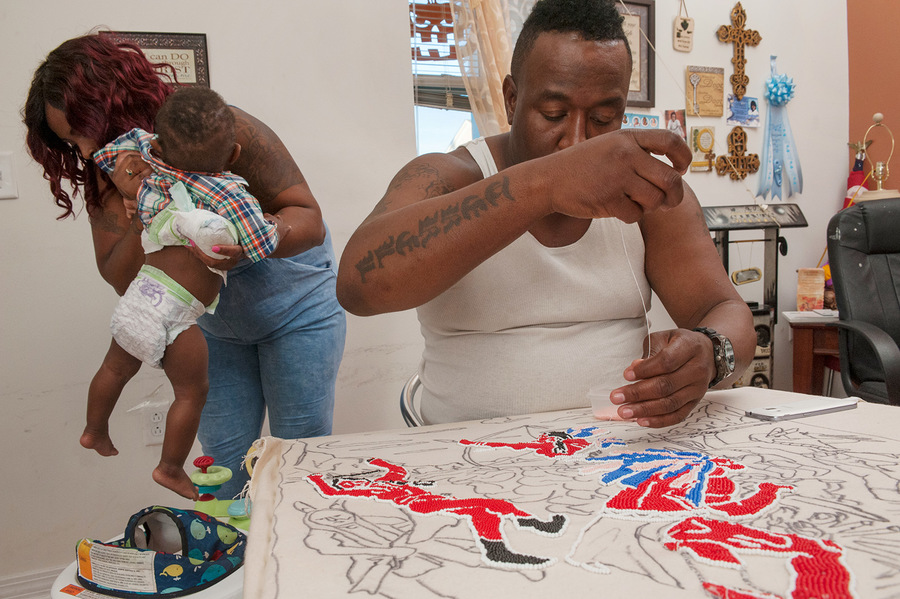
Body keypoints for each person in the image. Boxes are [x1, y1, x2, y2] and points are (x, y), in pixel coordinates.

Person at [336, 0, 755, 427]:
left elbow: (726, 310)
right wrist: (548, 185)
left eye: (603, 119)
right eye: (554, 114)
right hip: (467, 456)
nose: (577, 141)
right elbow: (358, 286)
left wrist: (710, 352)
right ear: (511, 99)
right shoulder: (451, 176)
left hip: (617, 449)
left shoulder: (643, 192)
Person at [25, 33, 346, 499]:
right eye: (71, 142)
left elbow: (308, 220)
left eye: (83, 130)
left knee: (297, 464)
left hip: (298, 315)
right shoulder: (112, 170)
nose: (86, 150)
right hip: (217, 330)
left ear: (114, 106)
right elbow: (119, 277)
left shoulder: (220, 128)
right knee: (224, 472)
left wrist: (249, 241)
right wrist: (143, 213)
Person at [83, 87, 285, 500]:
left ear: (159, 146)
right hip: (178, 315)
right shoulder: (231, 195)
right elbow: (262, 243)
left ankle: (94, 429)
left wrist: (131, 170)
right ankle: (170, 468)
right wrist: (274, 224)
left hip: (141, 296)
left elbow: (111, 153)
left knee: (114, 369)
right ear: (233, 154)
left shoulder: (149, 168)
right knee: (192, 393)